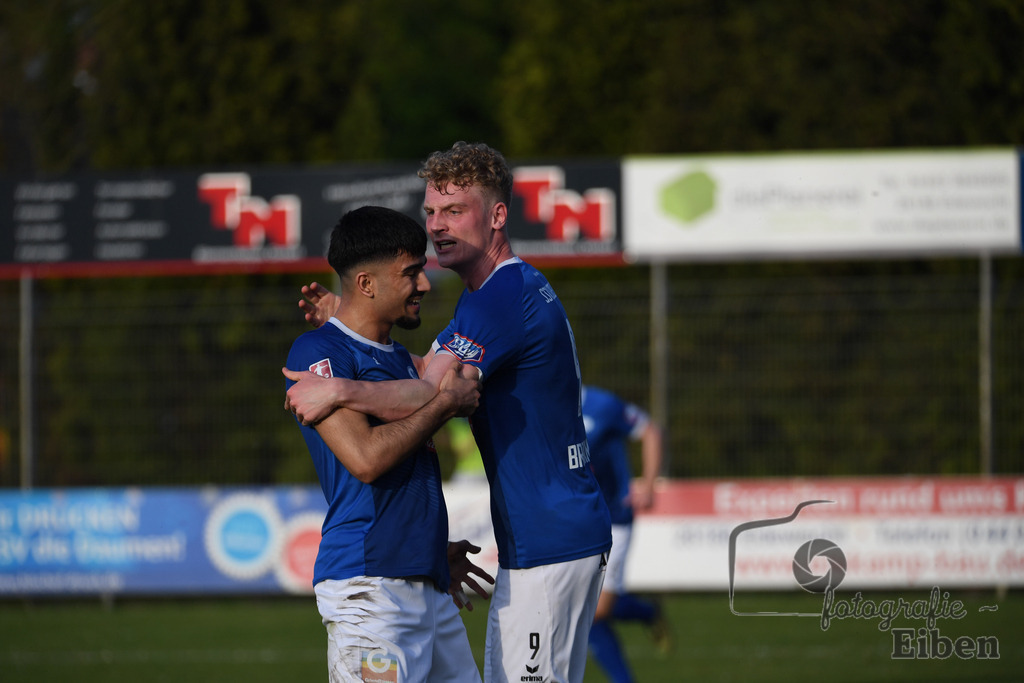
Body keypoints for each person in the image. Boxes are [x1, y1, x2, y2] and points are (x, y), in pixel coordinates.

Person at [285, 142, 612, 683]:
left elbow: (430, 389)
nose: (437, 226)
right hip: (548, 531)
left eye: (455, 211)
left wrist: (341, 389)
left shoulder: (496, 296)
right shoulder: (502, 290)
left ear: (497, 215)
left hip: (547, 537)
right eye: (431, 211)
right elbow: (430, 378)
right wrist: (349, 320)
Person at [282, 205, 492, 683]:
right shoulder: (317, 352)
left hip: (427, 585)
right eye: (411, 273)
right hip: (369, 590)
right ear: (366, 285)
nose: (423, 285)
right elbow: (367, 459)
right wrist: (442, 406)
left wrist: (428, 546)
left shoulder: (402, 359)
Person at [581, 385, 670, 683]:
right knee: (585, 607)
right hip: (576, 520)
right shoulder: (545, 405)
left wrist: (649, 482)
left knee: (595, 611)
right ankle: (646, 611)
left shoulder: (603, 405)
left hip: (614, 516)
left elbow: (649, 430)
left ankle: (644, 615)